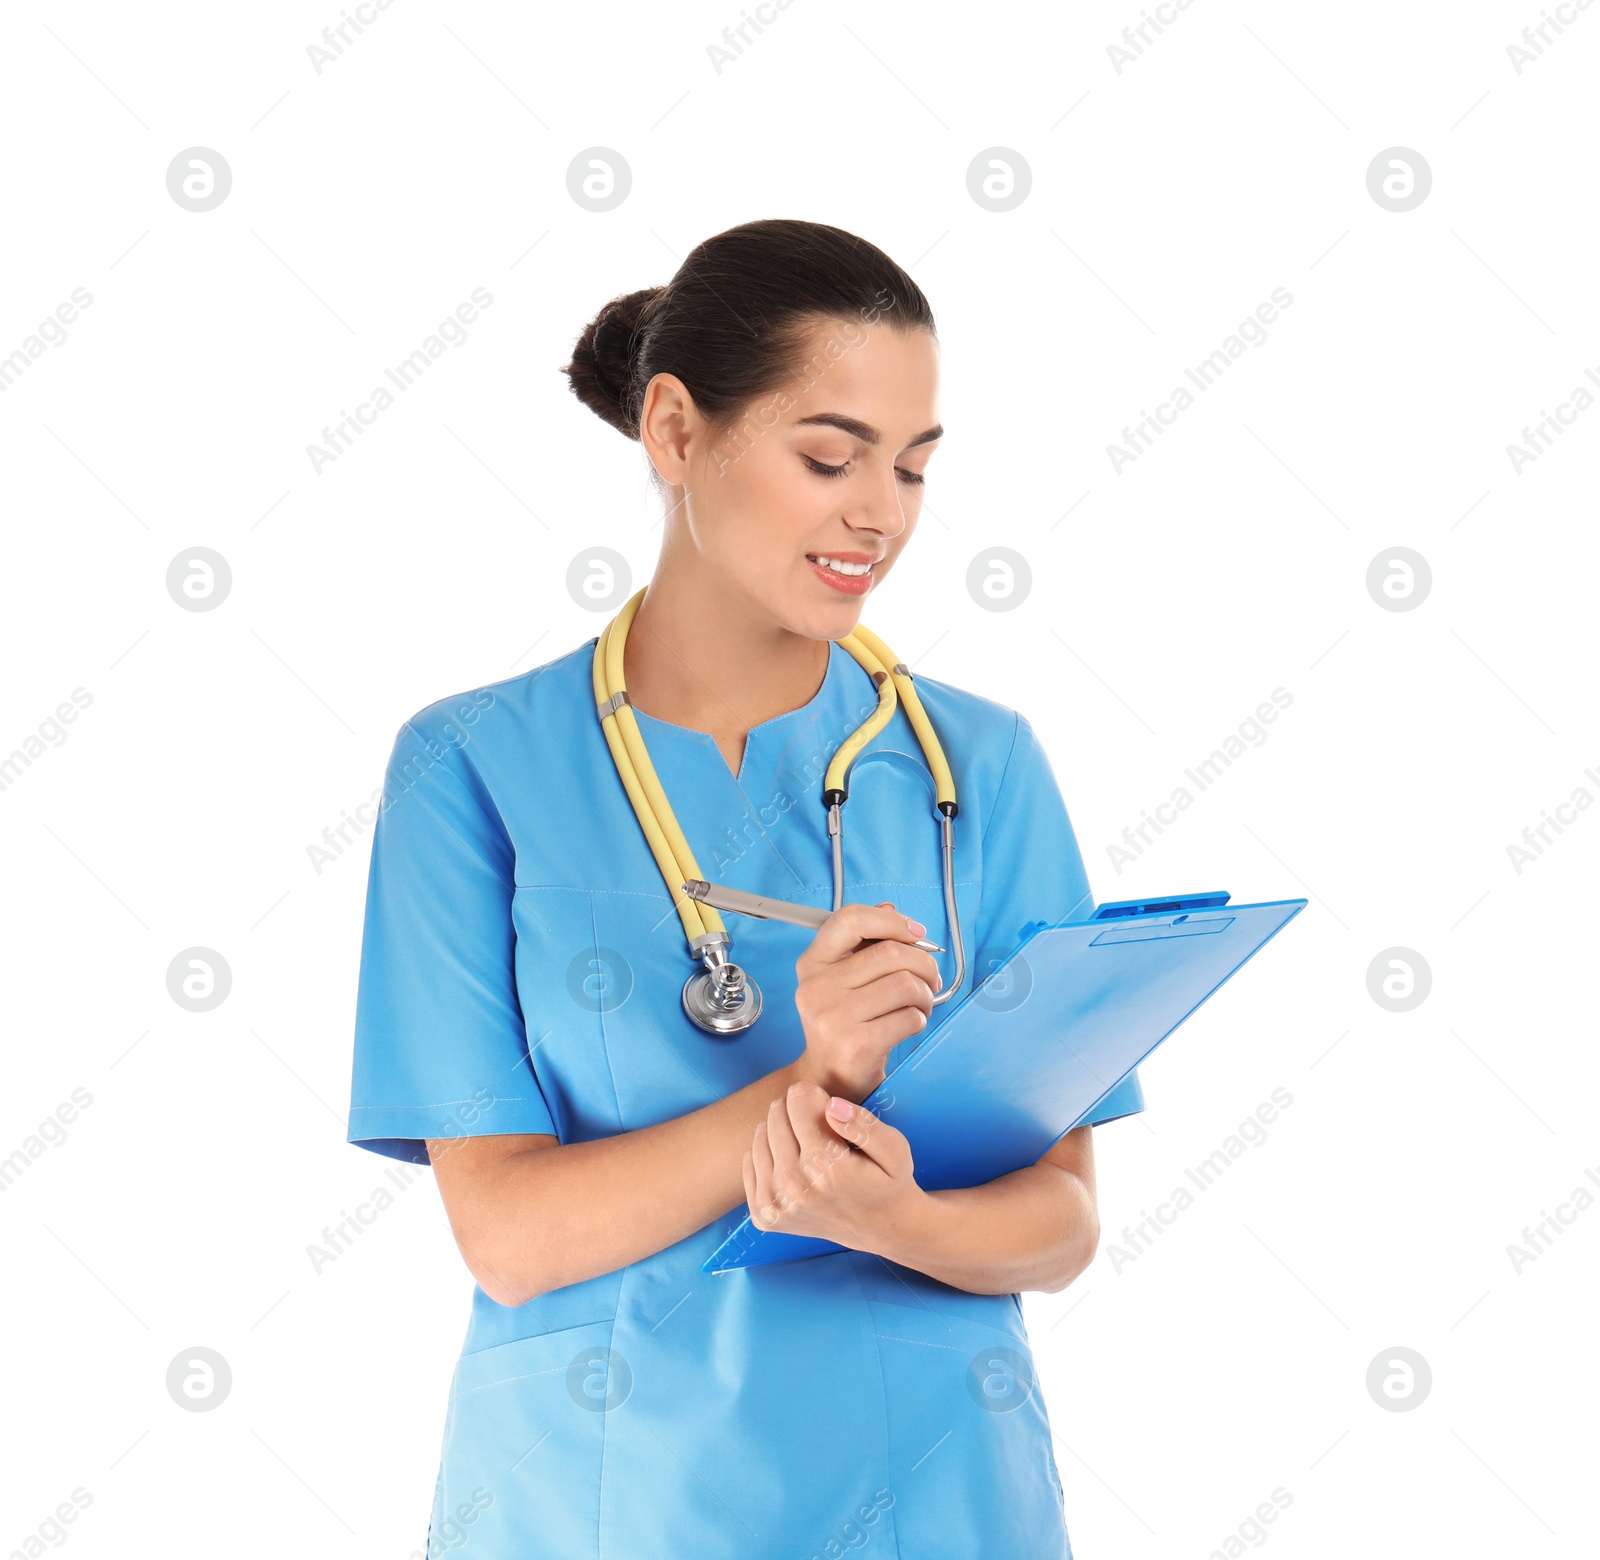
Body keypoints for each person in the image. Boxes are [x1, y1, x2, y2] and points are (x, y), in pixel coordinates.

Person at [346, 217, 1144, 1559]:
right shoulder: (471, 768)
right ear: (673, 433)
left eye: (911, 466)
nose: (880, 513)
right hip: (602, 1501)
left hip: (937, 1494)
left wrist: (907, 1221)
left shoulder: (977, 767)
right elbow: (510, 1238)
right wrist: (811, 1086)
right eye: (828, 458)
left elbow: (1062, 1218)